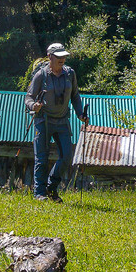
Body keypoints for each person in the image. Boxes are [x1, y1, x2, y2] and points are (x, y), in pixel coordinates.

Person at [27, 42, 89, 201]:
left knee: (67, 156)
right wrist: (34, 105)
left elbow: (75, 96)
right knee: (42, 157)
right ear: (50, 57)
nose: (63, 59)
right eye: (59, 56)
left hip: (62, 121)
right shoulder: (41, 75)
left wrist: (80, 114)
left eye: (64, 56)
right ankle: (39, 193)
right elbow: (28, 97)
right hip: (43, 120)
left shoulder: (70, 74)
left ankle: (51, 188)